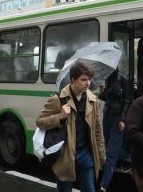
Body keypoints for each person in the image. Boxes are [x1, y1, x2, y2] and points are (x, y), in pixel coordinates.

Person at [36, 61, 105, 192]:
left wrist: (101, 153)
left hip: (86, 154)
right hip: (65, 155)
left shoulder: (92, 100)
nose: (88, 83)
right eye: (83, 80)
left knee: (90, 189)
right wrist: (60, 116)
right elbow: (40, 122)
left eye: (89, 80)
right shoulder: (57, 99)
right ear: (73, 80)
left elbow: (97, 129)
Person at [98, 68, 132, 192]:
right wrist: (102, 93)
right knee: (109, 145)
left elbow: (128, 101)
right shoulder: (106, 79)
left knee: (111, 152)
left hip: (118, 118)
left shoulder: (123, 79)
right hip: (107, 116)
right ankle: (129, 158)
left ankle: (104, 185)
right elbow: (106, 99)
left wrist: (123, 119)